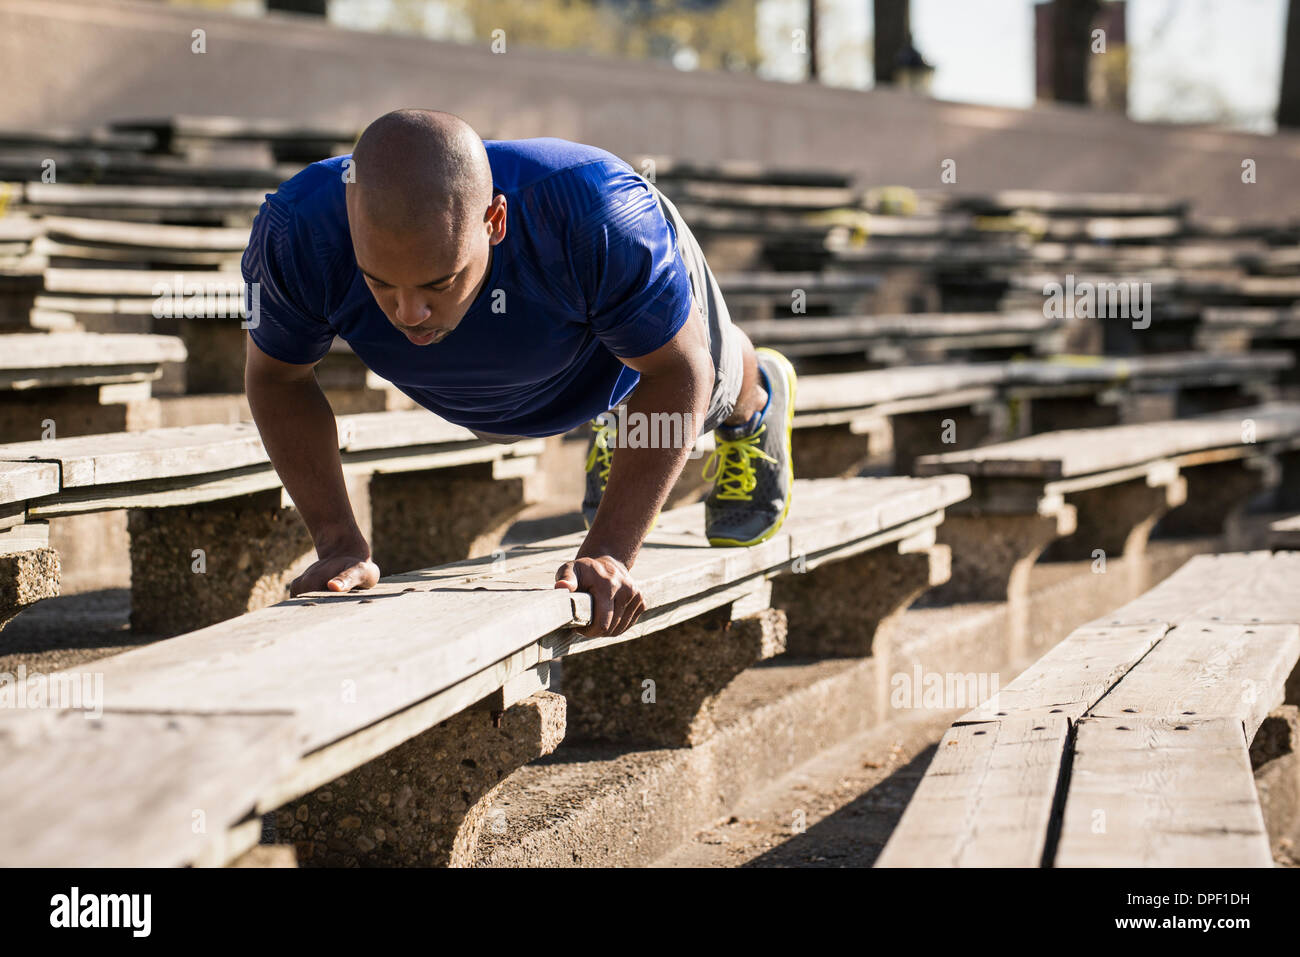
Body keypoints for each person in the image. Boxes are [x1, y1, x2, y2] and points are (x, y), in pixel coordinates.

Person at [242, 109, 796, 638]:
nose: (408, 314)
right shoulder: (294, 230)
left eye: (439, 283)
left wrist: (609, 550)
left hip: (617, 355)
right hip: (509, 385)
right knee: (630, 405)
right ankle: (624, 426)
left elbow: (678, 371)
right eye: (379, 281)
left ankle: (755, 400)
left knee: (713, 379)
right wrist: (339, 543)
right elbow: (277, 378)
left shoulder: (599, 213)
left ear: (495, 221)